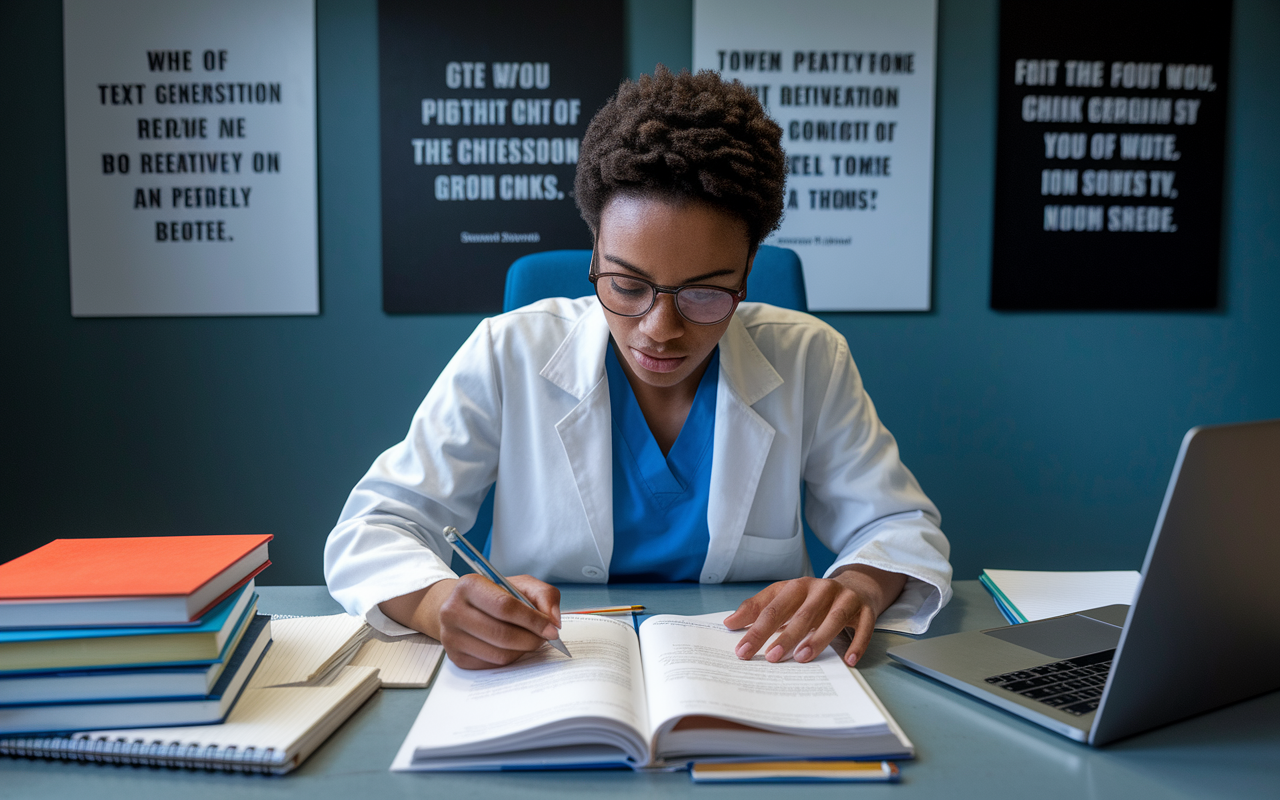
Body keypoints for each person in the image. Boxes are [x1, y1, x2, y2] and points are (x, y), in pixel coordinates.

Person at [325, 67, 951, 670]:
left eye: (705, 293)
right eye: (626, 285)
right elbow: (375, 527)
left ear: (748, 270)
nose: (660, 329)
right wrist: (436, 602)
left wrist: (861, 585)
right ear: (595, 251)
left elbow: (898, 525)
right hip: (544, 669)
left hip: (755, 668)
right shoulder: (508, 350)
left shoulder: (810, 357)